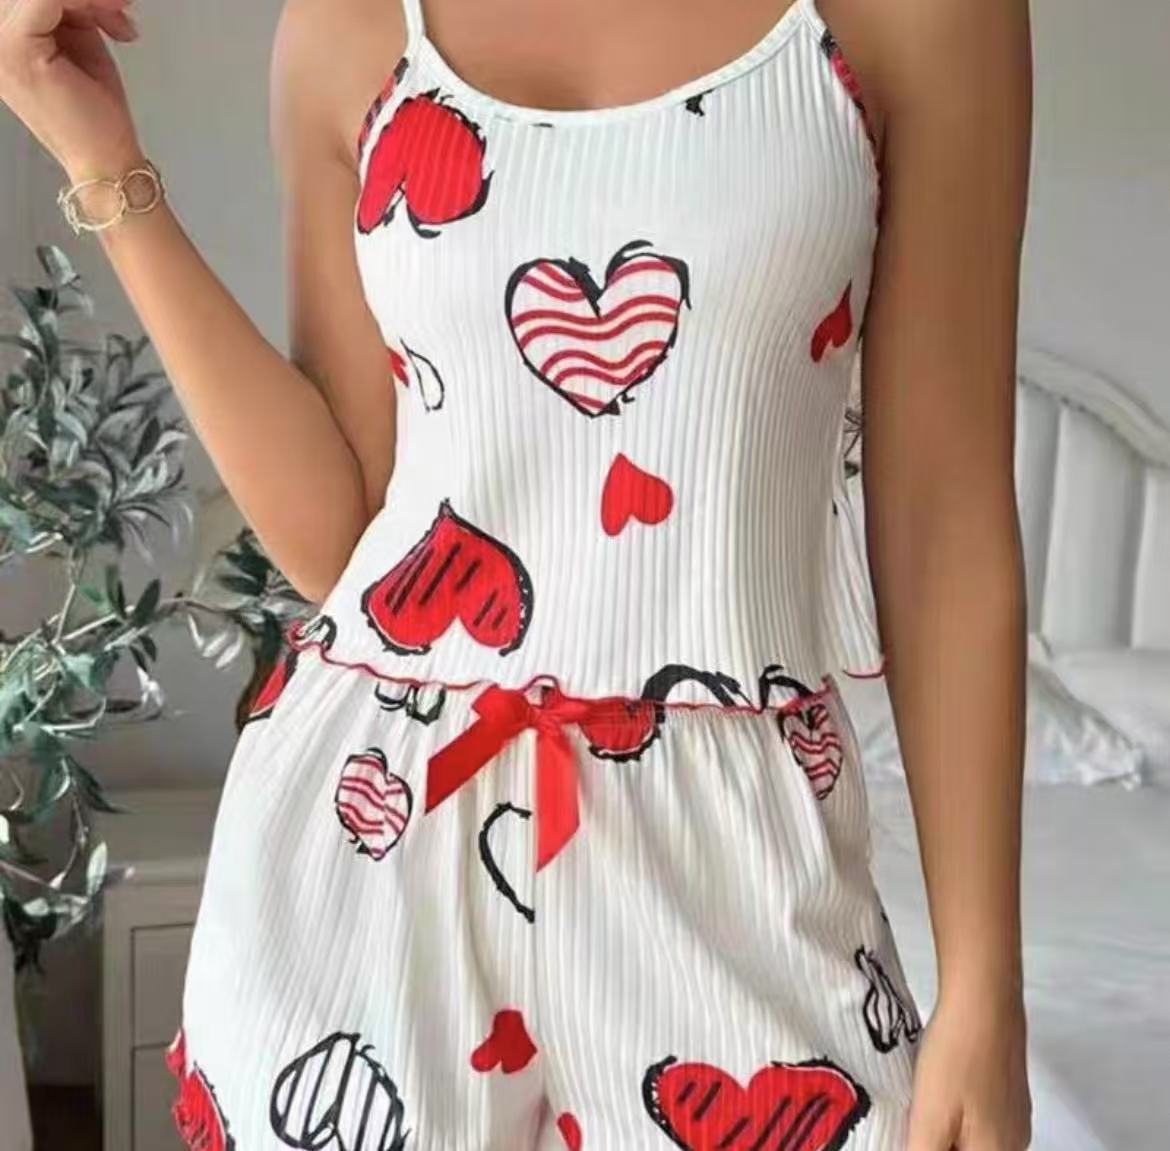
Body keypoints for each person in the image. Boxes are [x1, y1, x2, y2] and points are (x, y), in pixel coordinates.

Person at [0, 0, 1033, 1147]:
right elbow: (342, 536)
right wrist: (102, 161)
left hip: (739, 853)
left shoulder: (922, 18)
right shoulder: (349, 25)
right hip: (381, 825)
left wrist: (985, 985)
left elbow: (945, 520)